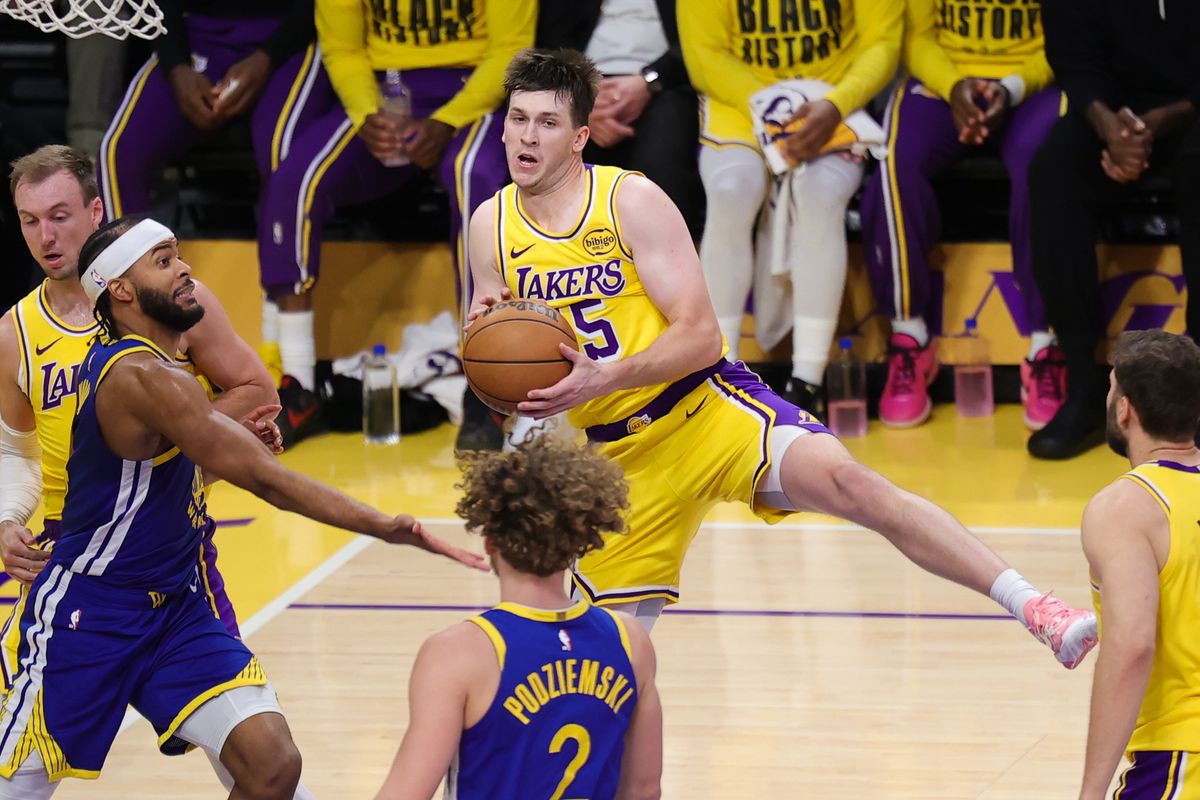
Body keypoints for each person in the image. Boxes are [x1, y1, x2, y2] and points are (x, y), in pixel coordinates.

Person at [467, 48, 1097, 673]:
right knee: (607, 674)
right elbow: (504, 366)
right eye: (518, 119)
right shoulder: (488, 228)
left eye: (547, 122)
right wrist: (491, 348)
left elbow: (702, 337)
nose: (527, 136)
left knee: (855, 485)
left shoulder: (629, 200)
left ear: (579, 137)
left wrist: (609, 376)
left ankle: (1038, 608)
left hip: (702, 411)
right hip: (611, 464)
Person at [0, 215, 486, 798]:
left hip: (172, 607)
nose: (183, 270)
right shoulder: (137, 375)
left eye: (178, 255)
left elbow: (176, 462)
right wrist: (387, 525)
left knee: (272, 763)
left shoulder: (163, 373)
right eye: (162, 261)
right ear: (121, 290)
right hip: (90, 612)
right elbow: (265, 480)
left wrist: (224, 441)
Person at [0, 146, 277, 670]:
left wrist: (179, 448)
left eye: (60, 217)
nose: (46, 237)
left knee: (258, 747)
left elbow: (259, 392)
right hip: (70, 552)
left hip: (169, 542)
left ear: (96, 212)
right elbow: (16, 450)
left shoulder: (170, 299)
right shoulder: (14, 334)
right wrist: (8, 520)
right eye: (29, 221)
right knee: (33, 746)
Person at [257, 0, 535, 453]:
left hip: (475, 85)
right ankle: (300, 383)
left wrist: (447, 120)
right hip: (381, 87)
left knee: (474, 177)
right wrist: (368, 113)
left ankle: (483, 385)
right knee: (295, 180)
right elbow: (343, 49)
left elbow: (512, 48)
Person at [374, 437, 662, 800]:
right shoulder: (631, 640)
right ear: (580, 540)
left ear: (490, 540)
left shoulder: (457, 653)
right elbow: (645, 789)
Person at [97, 0, 322, 445]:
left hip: (287, 38)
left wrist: (266, 58)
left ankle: (298, 376)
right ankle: (133, 344)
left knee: (285, 159)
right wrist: (178, 66)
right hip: (194, 35)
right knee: (116, 151)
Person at [679, 0, 900, 417]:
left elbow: (883, 43)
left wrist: (836, 104)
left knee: (820, 193)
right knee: (732, 190)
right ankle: (715, 372)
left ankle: (807, 381)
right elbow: (704, 55)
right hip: (740, 102)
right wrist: (773, 108)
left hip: (834, 99)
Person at [860, 0, 1065, 430]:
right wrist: (954, 87)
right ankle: (910, 337)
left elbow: (1067, 36)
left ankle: (1046, 345)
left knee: (1045, 166)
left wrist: (1010, 87)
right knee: (895, 161)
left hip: (1032, 81)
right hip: (942, 81)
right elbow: (915, 36)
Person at [1026, 0, 1200, 460]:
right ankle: (1085, 386)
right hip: (1114, 116)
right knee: (1053, 170)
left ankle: (1197, 390)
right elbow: (1072, 60)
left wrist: (1165, 119)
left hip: (1192, 111)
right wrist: (1110, 126)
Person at [1076, 330, 1200, 799]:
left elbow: (1131, 647)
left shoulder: (1126, 507)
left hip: (1182, 757)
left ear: (1124, 409)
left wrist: (1090, 792)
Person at [536, 0, 702, 240]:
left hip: (665, 81)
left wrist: (651, 81)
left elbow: (702, 39)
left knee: (663, 166)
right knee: (546, 159)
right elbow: (551, 37)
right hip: (578, 83)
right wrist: (582, 98)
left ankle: (669, 268)